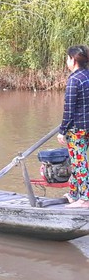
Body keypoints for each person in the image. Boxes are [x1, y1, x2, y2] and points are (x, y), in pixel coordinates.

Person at [57, 45, 89, 208]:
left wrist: (62, 131)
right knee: (79, 160)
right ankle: (73, 193)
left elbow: (69, 109)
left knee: (79, 162)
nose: (67, 61)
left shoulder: (74, 80)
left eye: (68, 58)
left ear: (74, 60)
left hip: (78, 129)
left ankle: (84, 199)